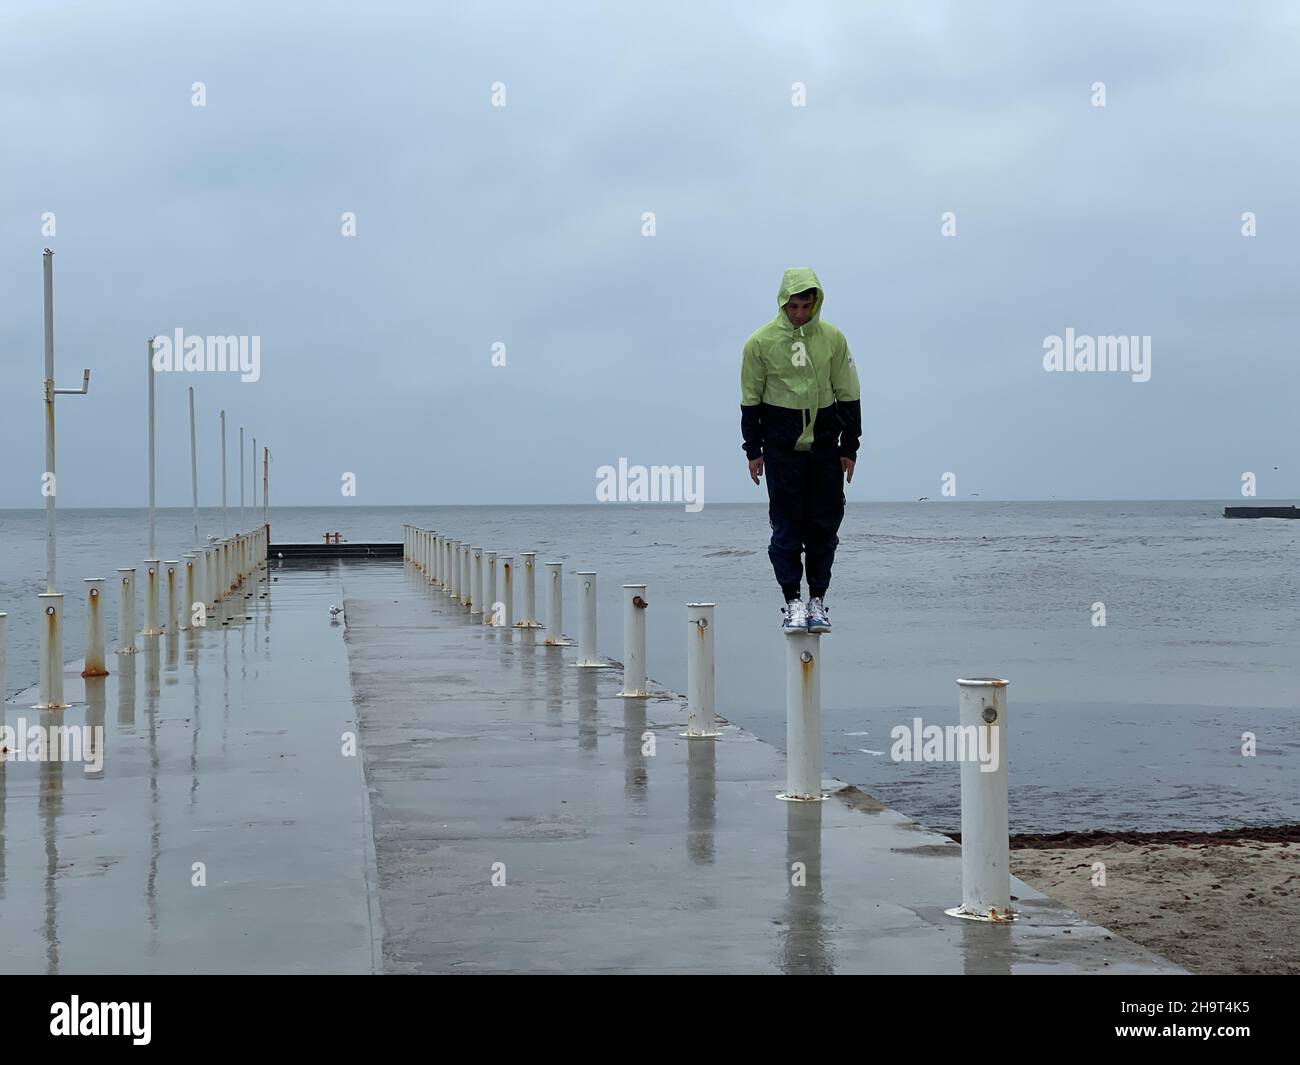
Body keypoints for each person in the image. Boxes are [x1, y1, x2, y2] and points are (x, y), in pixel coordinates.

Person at [740, 267, 861, 634]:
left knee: (824, 528)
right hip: (781, 450)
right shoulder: (759, 343)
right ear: (782, 303)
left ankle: (818, 600)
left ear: (816, 303)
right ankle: (792, 600)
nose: (799, 314)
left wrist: (849, 447)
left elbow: (848, 393)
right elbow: (750, 399)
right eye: (793, 306)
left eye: (806, 306)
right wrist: (753, 451)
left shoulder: (832, 339)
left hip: (824, 450)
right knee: (786, 528)